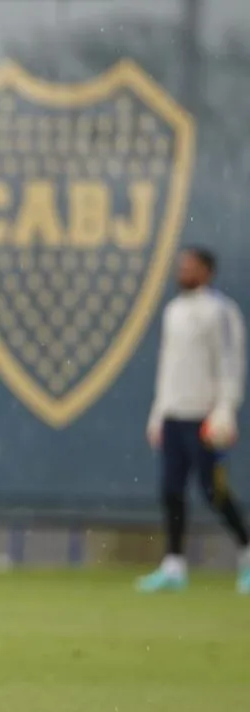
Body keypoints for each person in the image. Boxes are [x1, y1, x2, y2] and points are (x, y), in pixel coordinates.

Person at [137, 247, 250, 594]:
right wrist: (158, 412)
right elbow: (167, 365)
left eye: (190, 266)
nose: (183, 271)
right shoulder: (173, 311)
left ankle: (247, 553)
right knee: (171, 491)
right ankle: (174, 565)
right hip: (174, 415)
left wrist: (224, 410)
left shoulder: (221, 311)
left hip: (204, 419)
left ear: (207, 271)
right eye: (181, 266)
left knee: (214, 491)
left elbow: (230, 363)